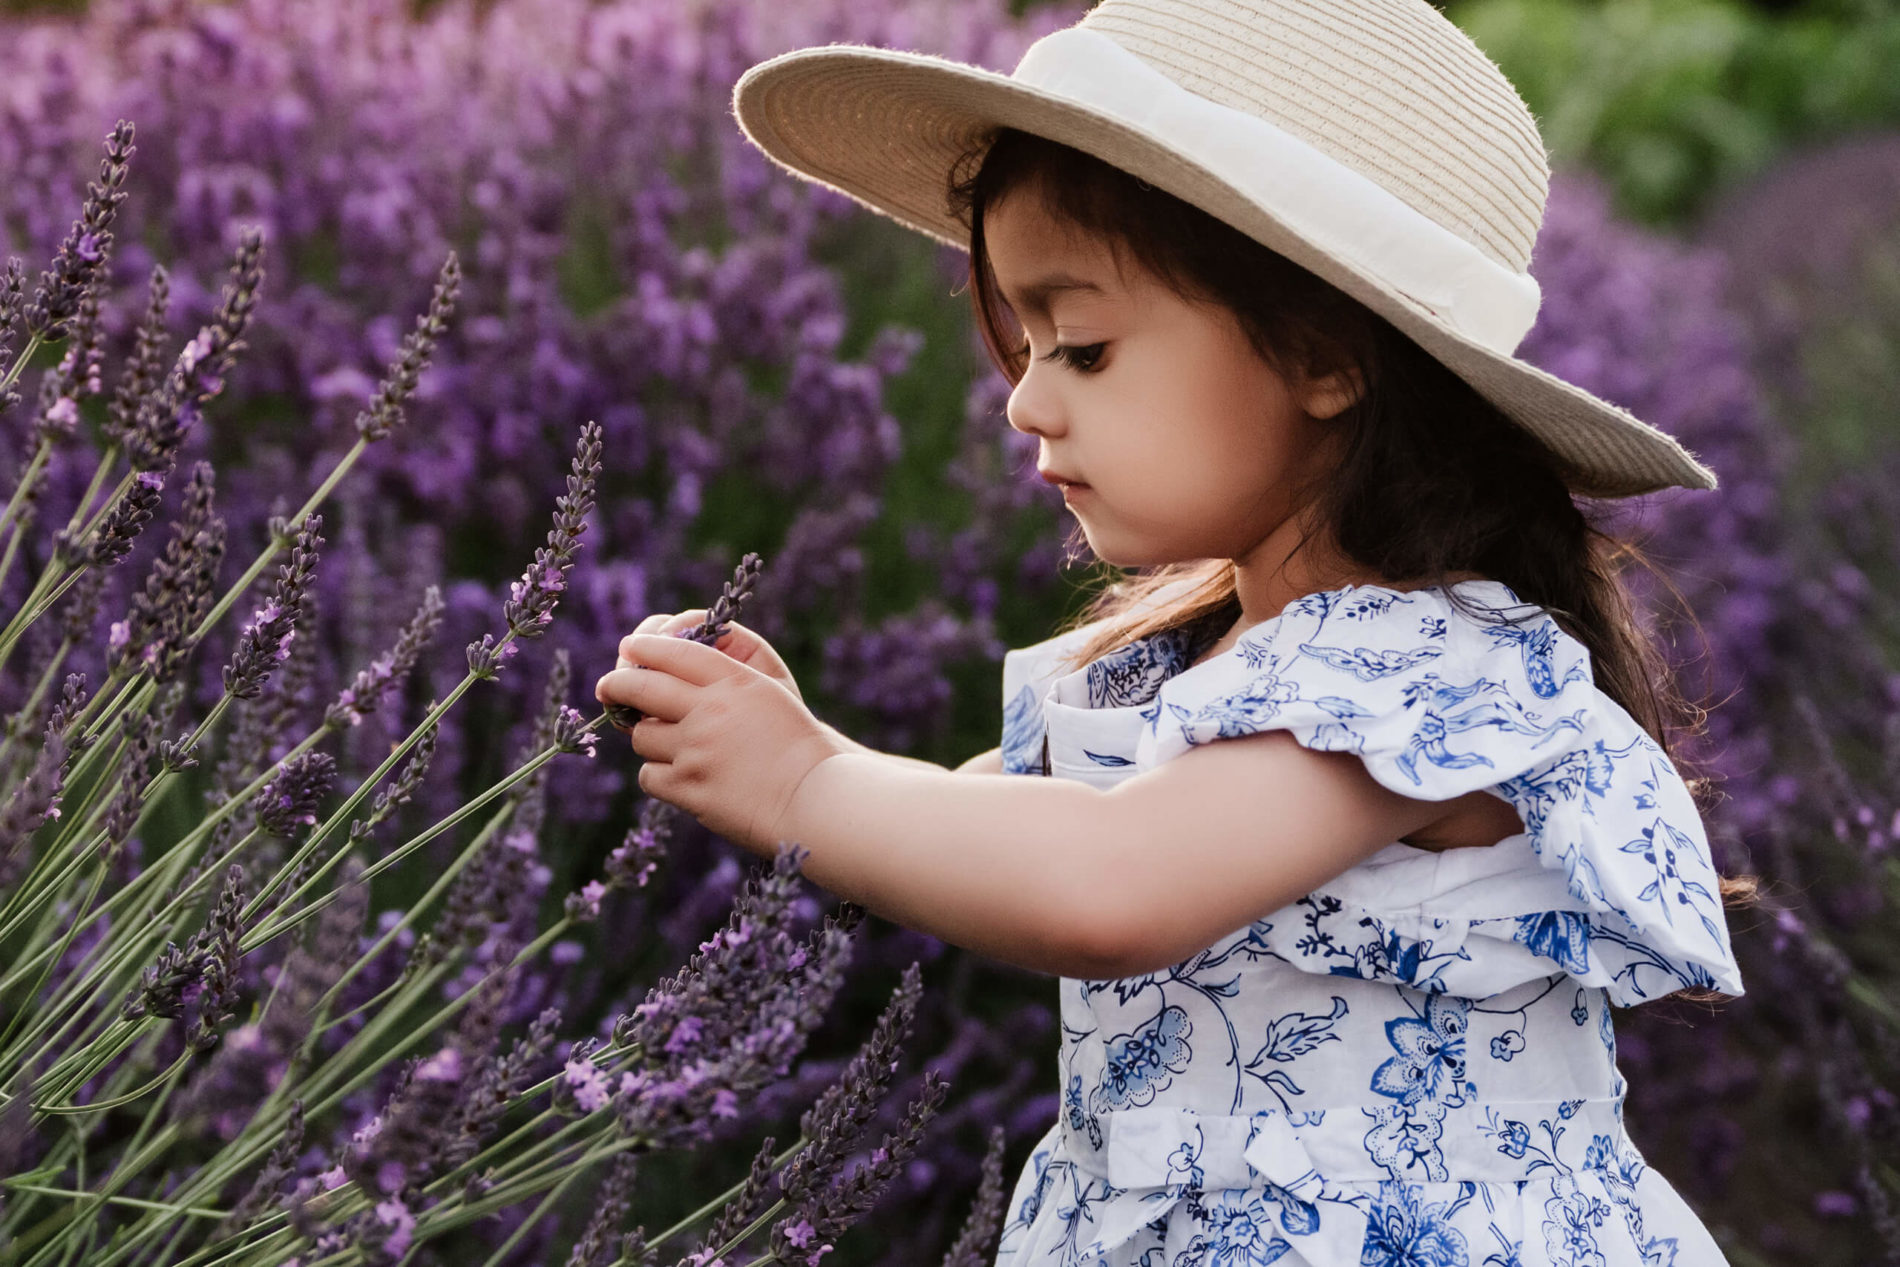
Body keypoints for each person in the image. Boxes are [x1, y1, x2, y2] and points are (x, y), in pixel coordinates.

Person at [594, 1, 1755, 1263]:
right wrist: (805, 739)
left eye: (1082, 346)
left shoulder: (1429, 673)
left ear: (1322, 356)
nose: (1025, 399)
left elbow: (1109, 884)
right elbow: (986, 830)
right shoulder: (1180, 663)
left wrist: (806, 782)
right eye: (1024, 342)